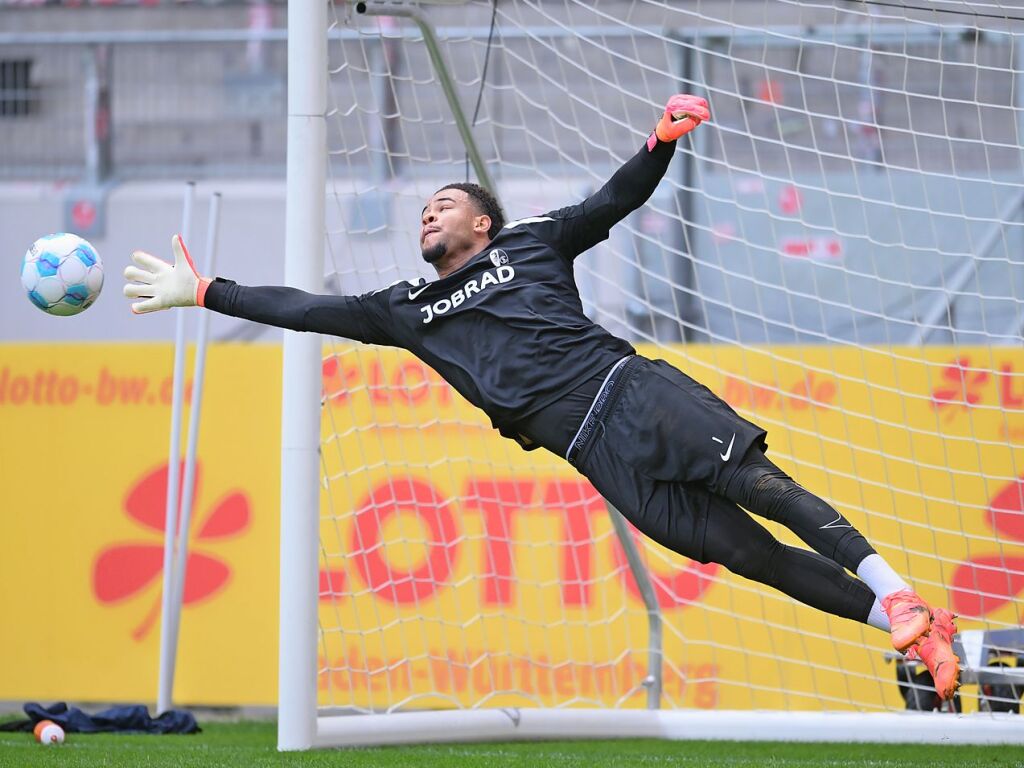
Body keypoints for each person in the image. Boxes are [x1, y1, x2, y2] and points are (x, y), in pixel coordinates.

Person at [124, 94, 960, 701]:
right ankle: (913, 633)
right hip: (598, 458)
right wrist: (207, 293)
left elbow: (611, 202)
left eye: (443, 203)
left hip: (629, 393)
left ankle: (895, 588)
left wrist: (658, 144)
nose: (428, 213)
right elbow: (305, 310)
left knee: (763, 489)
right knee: (752, 559)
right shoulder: (404, 312)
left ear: (482, 224)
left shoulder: (530, 244)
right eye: (422, 209)